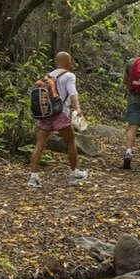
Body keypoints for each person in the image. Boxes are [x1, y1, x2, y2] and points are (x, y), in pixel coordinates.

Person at [27, 51, 87, 187]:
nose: (71, 63)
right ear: (67, 62)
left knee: (39, 144)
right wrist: (77, 108)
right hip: (60, 114)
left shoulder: (48, 76)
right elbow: (73, 93)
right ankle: (75, 172)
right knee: (70, 141)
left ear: (56, 62)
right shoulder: (69, 76)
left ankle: (33, 177)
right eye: (70, 61)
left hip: (46, 114)